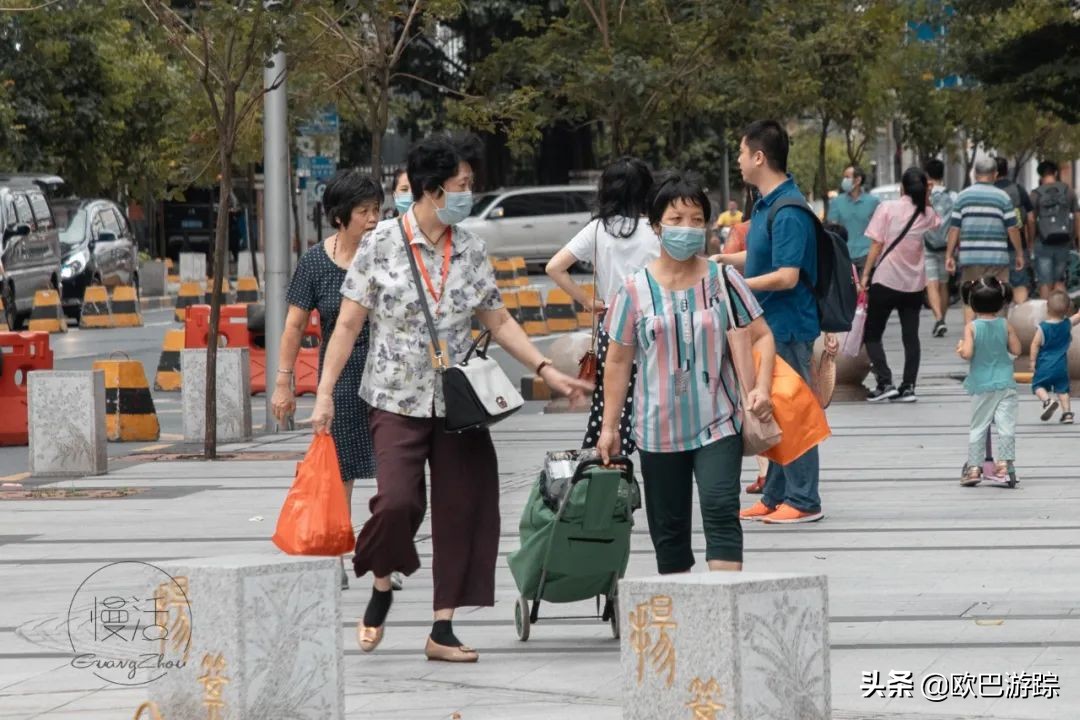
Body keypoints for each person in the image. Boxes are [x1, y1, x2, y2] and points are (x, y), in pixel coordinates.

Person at [309, 135, 592, 663]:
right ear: (433, 190)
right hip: (394, 396)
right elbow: (347, 325)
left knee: (463, 509)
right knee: (397, 503)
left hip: (459, 402)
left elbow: (497, 318)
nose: (469, 193)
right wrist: (324, 394)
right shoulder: (381, 244)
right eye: (463, 186)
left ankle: (442, 627)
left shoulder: (471, 248)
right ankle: (381, 581)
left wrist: (546, 368)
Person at [596, 172, 776, 574]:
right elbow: (619, 361)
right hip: (656, 430)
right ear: (656, 226)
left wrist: (760, 389)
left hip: (719, 421)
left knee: (720, 509)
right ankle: (685, 622)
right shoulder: (633, 291)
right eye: (677, 220)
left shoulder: (723, 279)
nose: (688, 229)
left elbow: (762, 335)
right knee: (670, 531)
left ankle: (723, 615)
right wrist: (609, 428)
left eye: (697, 220)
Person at [272, 170, 382, 591]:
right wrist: (284, 382)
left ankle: (382, 554)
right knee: (342, 468)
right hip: (340, 374)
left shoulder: (389, 256)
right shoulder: (316, 262)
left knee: (394, 467)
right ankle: (336, 550)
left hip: (389, 370)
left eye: (376, 210)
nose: (373, 219)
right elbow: (294, 327)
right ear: (339, 216)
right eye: (363, 212)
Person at [715, 120, 824, 524]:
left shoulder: (789, 209)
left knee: (793, 412)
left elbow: (787, 275)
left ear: (759, 157)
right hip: (767, 326)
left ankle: (805, 499)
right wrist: (726, 262)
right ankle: (776, 493)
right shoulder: (764, 204)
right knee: (772, 411)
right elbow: (763, 259)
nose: (739, 162)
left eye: (742, 154)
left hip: (787, 326)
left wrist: (734, 282)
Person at [545, 156, 659, 457]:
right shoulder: (657, 229)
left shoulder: (598, 229)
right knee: (655, 407)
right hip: (655, 328)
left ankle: (606, 472)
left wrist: (586, 301)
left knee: (609, 408)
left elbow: (554, 267)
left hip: (613, 326)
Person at [859, 167, 941, 403]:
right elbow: (936, 223)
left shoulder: (887, 208)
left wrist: (865, 275)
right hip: (913, 285)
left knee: (872, 335)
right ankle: (908, 387)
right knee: (910, 337)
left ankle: (885, 382)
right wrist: (927, 197)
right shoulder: (926, 213)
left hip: (886, 280)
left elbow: (876, 245)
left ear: (901, 187)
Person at [956, 277, 1020, 486]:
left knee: (978, 427)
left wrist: (960, 349)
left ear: (972, 303)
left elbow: (968, 353)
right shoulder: (1005, 324)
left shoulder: (972, 327)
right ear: (1002, 302)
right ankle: (1004, 463)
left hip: (982, 385)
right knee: (1006, 426)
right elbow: (1017, 350)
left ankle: (974, 468)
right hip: (1005, 383)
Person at [945, 156, 1024, 323]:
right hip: (997, 259)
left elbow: (954, 228)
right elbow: (1012, 228)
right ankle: (999, 336)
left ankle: (970, 337)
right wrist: (1019, 253)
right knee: (1000, 295)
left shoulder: (963, 196)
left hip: (970, 258)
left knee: (969, 297)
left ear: (974, 173)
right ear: (995, 174)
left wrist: (949, 255)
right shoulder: (1003, 197)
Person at [1028, 160, 1080, 299]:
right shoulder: (1068, 191)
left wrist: (1031, 241)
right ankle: (1062, 314)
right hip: (1063, 241)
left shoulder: (1035, 194)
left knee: (1045, 282)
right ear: (1056, 173)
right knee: (1059, 280)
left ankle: (1047, 315)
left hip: (1043, 243)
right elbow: (1077, 216)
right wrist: (1076, 237)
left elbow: (1031, 219)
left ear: (1040, 176)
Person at [1030, 290, 1080, 424]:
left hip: (1044, 365)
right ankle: (1067, 413)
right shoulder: (1067, 324)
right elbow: (1078, 317)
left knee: (1038, 385)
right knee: (1063, 390)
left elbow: (1035, 344)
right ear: (1067, 309)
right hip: (1061, 366)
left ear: (1047, 308)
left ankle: (1047, 401)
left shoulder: (1042, 328)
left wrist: (1033, 361)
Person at [827, 165, 880, 276]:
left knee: (865, 292)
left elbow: (880, 231)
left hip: (867, 257)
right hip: (844, 257)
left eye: (847, 177)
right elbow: (832, 229)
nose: (844, 180)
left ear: (858, 180)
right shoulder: (836, 202)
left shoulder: (873, 202)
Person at [923, 159, 956, 338]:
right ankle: (942, 318)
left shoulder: (923, 195)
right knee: (944, 284)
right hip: (947, 247)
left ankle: (938, 318)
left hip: (927, 246)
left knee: (931, 283)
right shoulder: (953, 196)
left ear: (927, 175)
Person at [994, 157, 1035, 303]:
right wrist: (1030, 242)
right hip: (1017, 244)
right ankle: (1020, 316)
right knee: (1019, 283)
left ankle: (998, 322)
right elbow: (1030, 218)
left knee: (995, 286)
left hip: (993, 246)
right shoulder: (1018, 189)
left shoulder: (989, 192)